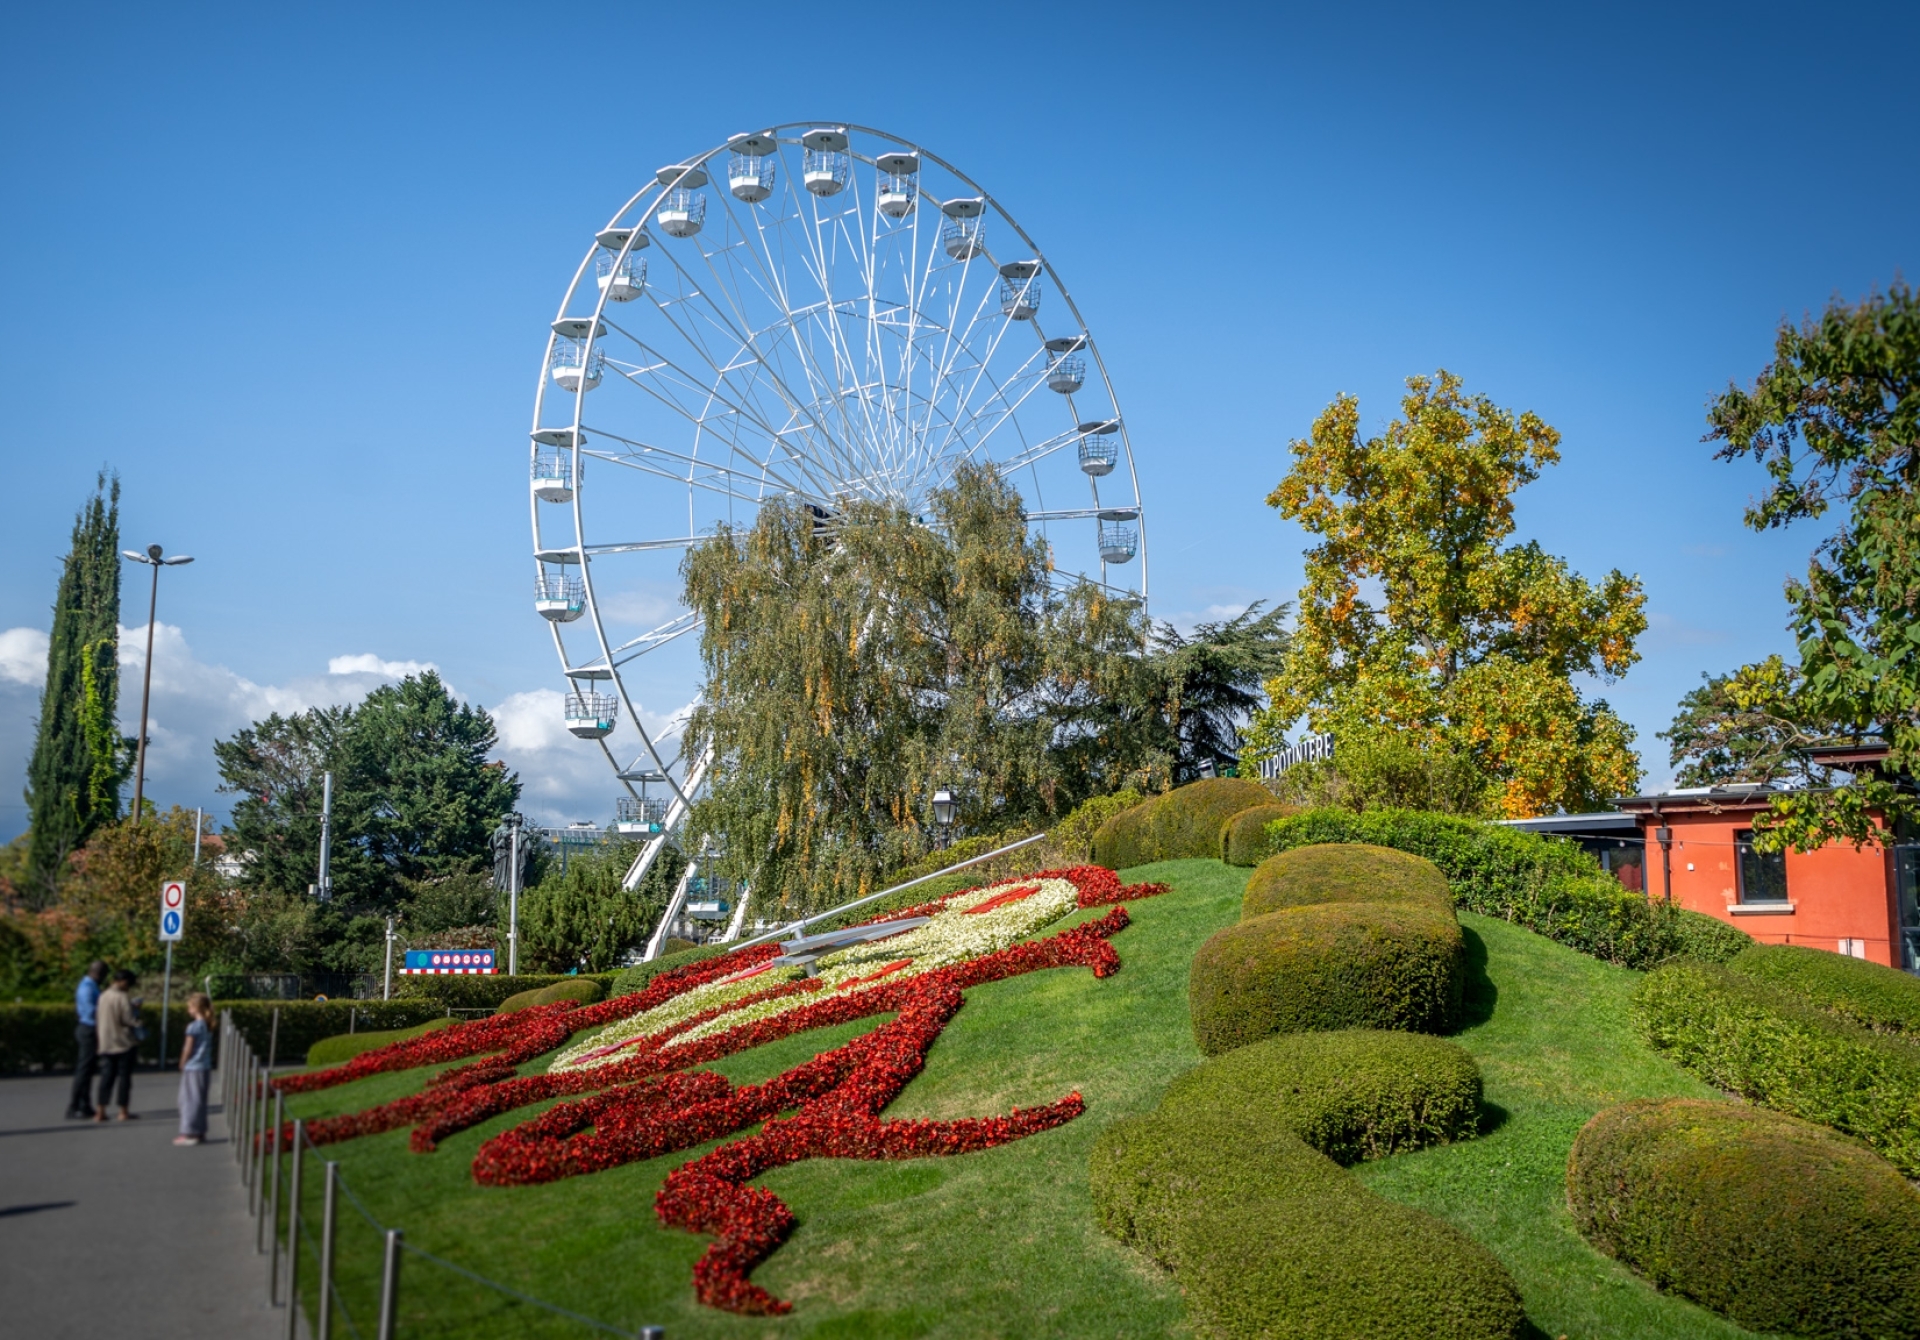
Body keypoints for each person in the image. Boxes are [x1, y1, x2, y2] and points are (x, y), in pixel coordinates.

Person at [94, 968, 141, 1122]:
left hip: (105, 1042)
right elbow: (127, 1019)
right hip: (123, 1042)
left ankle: (101, 1110)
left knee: (106, 1078)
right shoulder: (122, 997)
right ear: (124, 982)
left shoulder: (103, 996)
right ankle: (123, 1111)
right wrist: (138, 1018)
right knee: (124, 1079)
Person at [65, 960, 108, 1120]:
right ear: (98, 973)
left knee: (89, 1070)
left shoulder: (91, 986)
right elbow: (91, 1012)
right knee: (83, 1070)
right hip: (88, 1029)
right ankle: (74, 1106)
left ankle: (85, 1104)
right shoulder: (87, 988)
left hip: (90, 1029)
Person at [174, 993, 213, 1146]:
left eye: (190, 1006)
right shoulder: (208, 1024)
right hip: (204, 1066)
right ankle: (200, 1130)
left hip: (193, 1066)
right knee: (199, 1099)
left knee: (188, 1100)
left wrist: (182, 1061)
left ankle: (190, 1132)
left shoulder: (193, 1026)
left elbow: (188, 1048)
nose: (188, 1009)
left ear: (196, 1008)